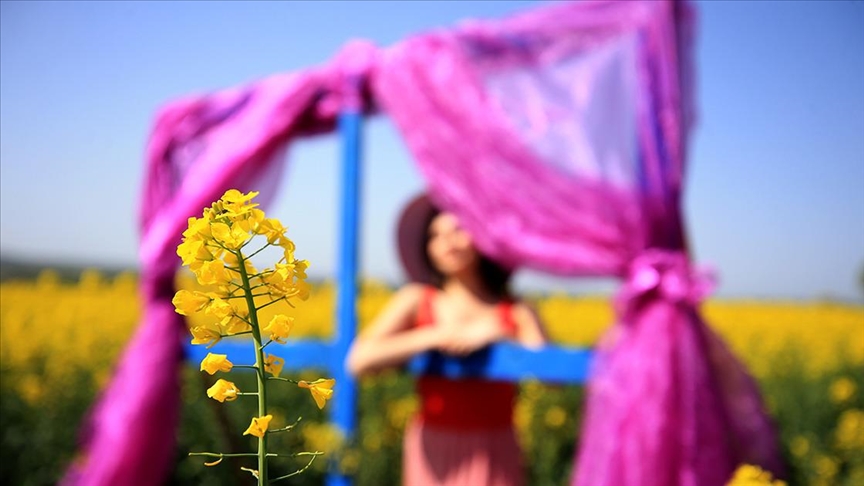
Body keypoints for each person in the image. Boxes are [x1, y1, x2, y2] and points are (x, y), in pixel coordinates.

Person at [346, 193, 547, 486]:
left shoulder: (516, 310)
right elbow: (359, 360)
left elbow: (549, 375)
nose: (447, 242)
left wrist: (501, 332)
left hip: (495, 445)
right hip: (433, 446)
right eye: (436, 235)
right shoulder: (416, 300)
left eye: (458, 230)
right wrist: (435, 335)